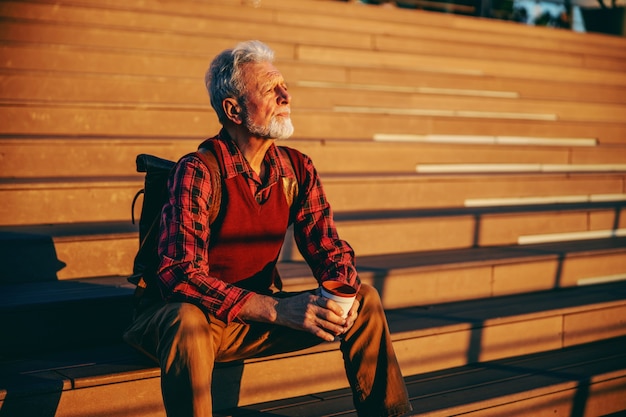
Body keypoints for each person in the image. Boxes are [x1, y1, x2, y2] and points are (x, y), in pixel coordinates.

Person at [123, 40, 412, 417]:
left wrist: (339, 293)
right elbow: (179, 273)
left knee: (365, 298)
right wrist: (276, 311)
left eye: (284, 86)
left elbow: (329, 249)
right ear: (233, 110)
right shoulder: (197, 169)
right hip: (184, 322)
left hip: (250, 318)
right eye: (270, 89)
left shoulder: (297, 168)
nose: (286, 95)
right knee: (187, 321)